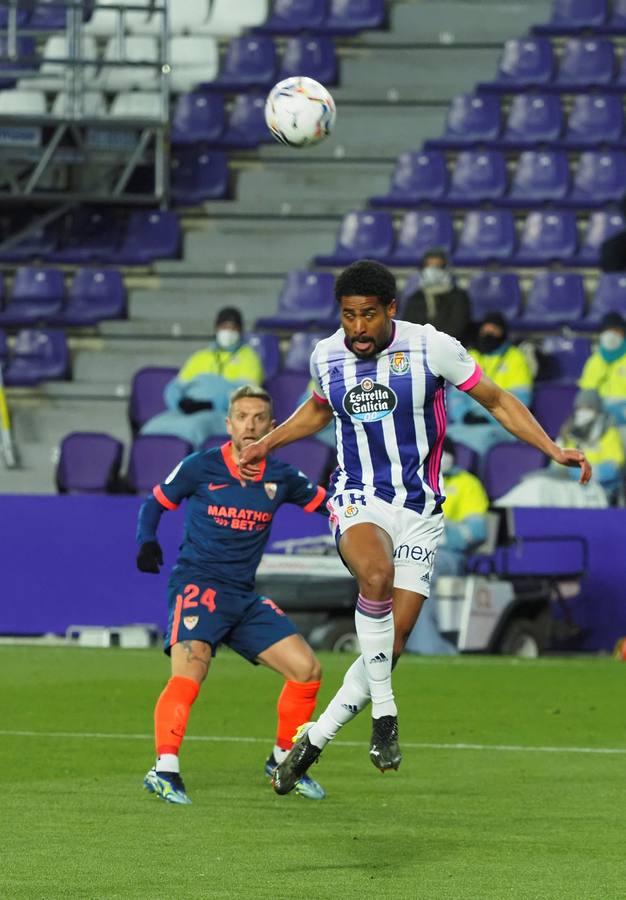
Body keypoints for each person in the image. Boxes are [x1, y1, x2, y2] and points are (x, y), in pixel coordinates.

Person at [237, 259, 591, 795]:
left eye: (368, 316)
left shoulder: (432, 347)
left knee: (392, 643)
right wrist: (268, 442)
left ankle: (313, 742)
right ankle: (386, 715)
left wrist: (551, 448)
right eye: (349, 315)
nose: (357, 328)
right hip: (359, 499)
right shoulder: (327, 354)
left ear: (391, 310)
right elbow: (317, 409)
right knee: (374, 577)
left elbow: (496, 399)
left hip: (421, 510)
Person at [136, 384, 329, 804]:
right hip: (198, 587)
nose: (250, 425)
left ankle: (283, 761)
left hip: (242, 597)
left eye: (259, 418)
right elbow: (154, 504)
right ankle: (163, 769)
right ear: (229, 424)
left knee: (307, 669)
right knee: (191, 672)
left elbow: (328, 506)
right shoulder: (200, 467)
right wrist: (146, 539)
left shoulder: (282, 477)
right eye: (242, 416)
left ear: (273, 427)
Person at [405, 436, 489, 655]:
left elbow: (476, 533)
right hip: (411, 547)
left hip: (448, 555)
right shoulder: (413, 481)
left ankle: (428, 647)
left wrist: (437, 529)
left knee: (418, 570)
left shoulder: (467, 483)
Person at [141, 307, 264, 449]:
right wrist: (179, 403)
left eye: (233, 328)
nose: (228, 332)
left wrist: (212, 404)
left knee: (193, 429)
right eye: (224, 327)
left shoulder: (249, 358)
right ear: (216, 329)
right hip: (187, 412)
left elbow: (246, 396)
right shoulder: (200, 357)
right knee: (151, 428)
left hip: (222, 413)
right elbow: (175, 387)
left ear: (240, 331)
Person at [447, 311, 534, 456]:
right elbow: (455, 396)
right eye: (486, 329)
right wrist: (464, 415)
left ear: (503, 333)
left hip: (502, 425)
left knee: (480, 441)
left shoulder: (515, 358)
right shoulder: (471, 356)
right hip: (467, 422)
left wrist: (489, 418)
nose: (489, 333)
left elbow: (521, 400)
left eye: (494, 330)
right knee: (441, 437)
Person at [556, 389, 624, 502]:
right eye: (580, 408)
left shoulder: (608, 431)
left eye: (588, 408)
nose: (583, 412)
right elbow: (556, 462)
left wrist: (586, 473)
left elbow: (615, 465)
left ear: (597, 410)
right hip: (570, 486)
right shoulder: (568, 431)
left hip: (602, 487)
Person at [402, 247, 471, 343]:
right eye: (429, 266)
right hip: (420, 348)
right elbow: (409, 327)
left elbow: (457, 327)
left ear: (446, 269)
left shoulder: (459, 297)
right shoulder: (416, 298)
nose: (432, 270)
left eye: (438, 266)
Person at [578, 312, 626, 427]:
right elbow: (586, 395)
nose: (611, 335)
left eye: (615, 330)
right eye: (607, 331)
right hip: (599, 418)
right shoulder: (594, 361)